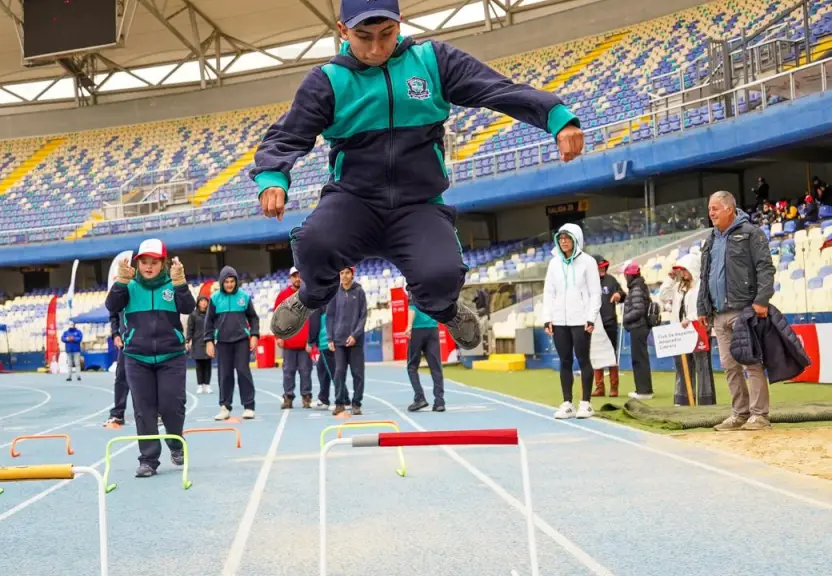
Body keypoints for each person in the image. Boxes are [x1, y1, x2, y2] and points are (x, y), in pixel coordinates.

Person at [254, 0, 584, 354]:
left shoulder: (432, 61)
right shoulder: (328, 81)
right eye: (364, 37)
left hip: (418, 206)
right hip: (353, 202)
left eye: (387, 34)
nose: (377, 48)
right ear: (342, 31)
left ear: (400, 23)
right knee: (312, 243)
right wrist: (273, 176)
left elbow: (495, 89)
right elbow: (287, 135)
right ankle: (311, 296)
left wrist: (554, 116)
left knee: (442, 275)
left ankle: (446, 310)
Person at [106, 239, 195, 478]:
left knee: (171, 406)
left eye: (154, 262)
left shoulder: (172, 284)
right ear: (137, 263)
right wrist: (120, 283)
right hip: (137, 358)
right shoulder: (129, 286)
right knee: (143, 410)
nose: (148, 266)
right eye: (144, 261)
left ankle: (176, 445)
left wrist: (180, 284)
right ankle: (148, 459)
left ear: (163, 263)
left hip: (171, 356)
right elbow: (112, 305)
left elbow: (188, 307)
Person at [698, 191, 776, 431]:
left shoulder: (751, 234)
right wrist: (702, 305)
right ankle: (739, 414)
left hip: (744, 310)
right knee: (729, 366)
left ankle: (759, 415)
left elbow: (765, 267)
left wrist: (762, 300)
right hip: (718, 314)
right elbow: (705, 276)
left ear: (729, 209)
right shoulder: (711, 239)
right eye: (710, 208)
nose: (711, 213)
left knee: (751, 363)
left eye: (715, 208)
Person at [541, 223, 600, 419]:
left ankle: (586, 403)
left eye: (567, 238)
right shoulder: (554, 263)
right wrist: (547, 318)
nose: (563, 241)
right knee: (564, 361)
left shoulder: (588, 262)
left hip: (581, 319)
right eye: (561, 238)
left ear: (576, 239)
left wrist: (591, 317)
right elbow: (549, 292)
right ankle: (567, 403)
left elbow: (595, 293)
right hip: (559, 320)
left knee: (583, 360)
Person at [204, 266, 259, 421]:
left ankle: (249, 406)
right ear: (222, 282)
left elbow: (253, 318)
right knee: (225, 375)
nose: (229, 284)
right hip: (222, 342)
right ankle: (225, 407)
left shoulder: (244, 297)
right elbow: (208, 322)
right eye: (226, 282)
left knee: (243, 372)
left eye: (232, 281)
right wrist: (208, 341)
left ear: (236, 282)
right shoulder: (215, 298)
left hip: (241, 341)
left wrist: (254, 335)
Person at [667, 253, 716, 406]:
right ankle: (683, 398)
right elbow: (663, 295)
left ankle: (705, 400)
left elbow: (706, 308)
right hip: (681, 331)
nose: (682, 273)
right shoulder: (678, 287)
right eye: (681, 270)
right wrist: (670, 278)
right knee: (682, 365)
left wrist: (691, 318)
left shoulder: (702, 286)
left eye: (684, 270)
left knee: (702, 366)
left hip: (699, 329)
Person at [326, 266, 367, 415]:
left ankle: (356, 403)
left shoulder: (359, 292)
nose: (344, 276)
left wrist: (355, 335)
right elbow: (329, 316)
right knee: (339, 372)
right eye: (341, 273)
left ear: (352, 274)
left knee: (358, 373)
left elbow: (363, 316)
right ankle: (339, 403)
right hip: (338, 340)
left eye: (347, 273)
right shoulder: (334, 293)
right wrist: (330, 337)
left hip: (356, 341)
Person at [275, 267, 313, 409]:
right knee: (288, 371)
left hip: (305, 344)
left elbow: (313, 318)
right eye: (294, 276)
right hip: (288, 342)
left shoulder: (309, 294)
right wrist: (278, 336)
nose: (297, 278)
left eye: (300, 275)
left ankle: (306, 396)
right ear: (290, 278)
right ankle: (288, 396)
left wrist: (311, 339)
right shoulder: (283, 295)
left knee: (305, 371)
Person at [405, 291, 445, 412]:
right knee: (435, 367)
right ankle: (439, 402)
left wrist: (409, 326)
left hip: (417, 330)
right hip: (432, 328)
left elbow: (412, 307)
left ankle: (419, 397)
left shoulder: (414, 285)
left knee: (412, 366)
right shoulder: (433, 285)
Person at [592, 255, 624, 397]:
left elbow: (622, 293)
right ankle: (599, 387)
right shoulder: (588, 282)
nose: (602, 268)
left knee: (612, 356)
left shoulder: (611, 280)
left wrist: (618, 295)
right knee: (596, 355)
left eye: (604, 266)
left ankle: (614, 388)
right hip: (594, 324)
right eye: (599, 266)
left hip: (610, 322)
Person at [622, 262, 654, 400]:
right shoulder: (640, 287)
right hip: (641, 326)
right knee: (641, 358)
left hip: (638, 327)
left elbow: (639, 309)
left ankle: (643, 391)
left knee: (639, 359)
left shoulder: (636, 289)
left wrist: (625, 318)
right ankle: (643, 389)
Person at [104, 310, 129, 426]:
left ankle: (156, 412)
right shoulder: (120, 293)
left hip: (146, 340)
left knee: (149, 378)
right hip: (126, 343)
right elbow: (113, 314)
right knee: (121, 378)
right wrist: (115, 333)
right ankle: (118, 414)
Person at [308, 303, 335, 411]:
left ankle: (344, 400)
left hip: (326, 341)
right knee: (322, 369)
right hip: (329, 339)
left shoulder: (316, 303)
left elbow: (314, 324)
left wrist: (310, 342)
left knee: (333, 372)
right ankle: (323, 399)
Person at [186, 293, 213, 395]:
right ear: (198, 303)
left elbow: (214, 326)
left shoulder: (211, 314)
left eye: (205, 301)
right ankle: (200, 385)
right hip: (197, 342)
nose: (203, 303)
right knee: (199, 365)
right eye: (201, 301)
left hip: (208, 342)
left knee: (208, 365)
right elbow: (190, 329)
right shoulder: (193, 315)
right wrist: (188, 340)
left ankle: (207, 385)